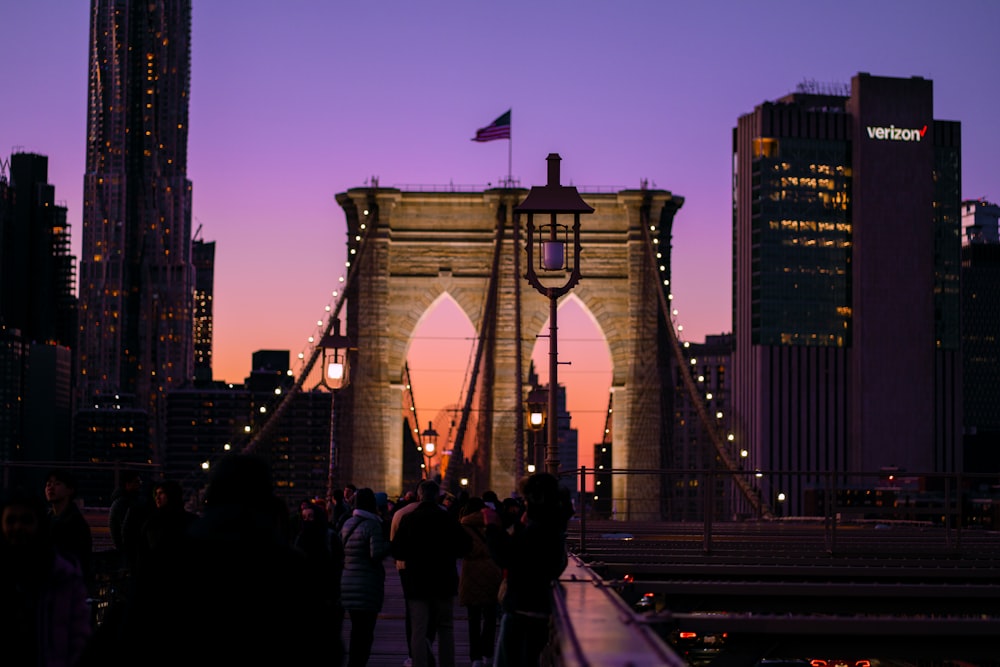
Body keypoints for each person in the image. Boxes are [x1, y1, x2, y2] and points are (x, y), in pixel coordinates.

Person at [81, 453, 329, 666]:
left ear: (213, 495)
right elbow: (320, 647)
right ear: (266, 500)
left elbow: (132, 631)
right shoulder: (291, 567)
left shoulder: (173, 556)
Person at [483, 473, 573, 667]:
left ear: (535, 499)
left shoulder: (539, 530)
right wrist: (521, 525)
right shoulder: (553, 526)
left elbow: (507, 557)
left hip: (522, 612)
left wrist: (491, 527)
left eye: (525, 499)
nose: (524, 503)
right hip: (539, 610)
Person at [1, 488, 92, 666]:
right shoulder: (64, 573)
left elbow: (78, 637)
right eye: (11, 520)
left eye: (26, 520)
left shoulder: (65, 576)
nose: (18, 527)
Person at [392, 480, 472, 667]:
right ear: (437, 497)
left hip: (417, 582)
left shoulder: (409, 519)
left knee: (418, 629)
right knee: (445, 627)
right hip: (444, 581)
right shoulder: (446, 518)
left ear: (419, 496)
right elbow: (465, 546)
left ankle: (419, 663)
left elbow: (397, 551)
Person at [340, 487, 390, 667]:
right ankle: (359, 663)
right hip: (367, 586)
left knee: (355, 630)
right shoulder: (373, 525)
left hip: (347, 583)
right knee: (366, 632)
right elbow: (375, 554)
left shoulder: (347, 523)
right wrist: (389, 545)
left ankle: (353, 662)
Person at [459, 497, 503, 667]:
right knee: (491, 618)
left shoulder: (463, 525)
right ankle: (488, 655)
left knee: (473, 619)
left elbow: (463, 550)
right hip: (492, 572)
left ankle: (475, 658)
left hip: (471, 574)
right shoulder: (493, 522)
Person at [44, 468, 93, 589]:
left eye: (57, 483)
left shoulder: (76, 525)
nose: (51, 487)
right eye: (48, 484)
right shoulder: (45, 520)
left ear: (70, 490)